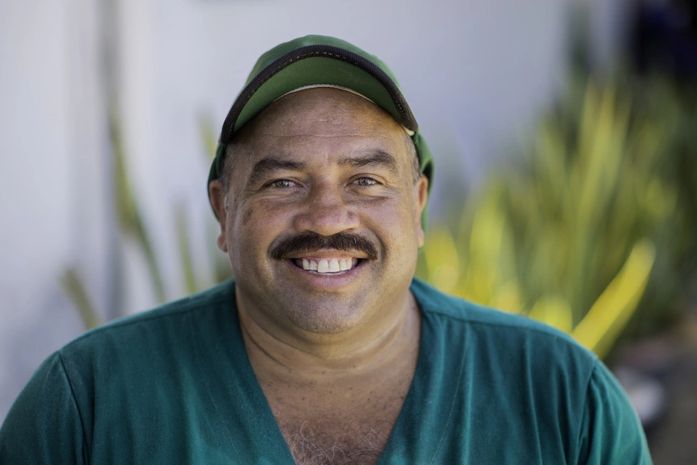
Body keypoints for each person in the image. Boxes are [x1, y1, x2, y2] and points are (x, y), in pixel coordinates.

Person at [0, 35, 651, 465]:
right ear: (223, 211)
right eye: (283, 182)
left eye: (366, 180)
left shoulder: (562, 400)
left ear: (418, 205)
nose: (328, 216)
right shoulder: (86, 407)